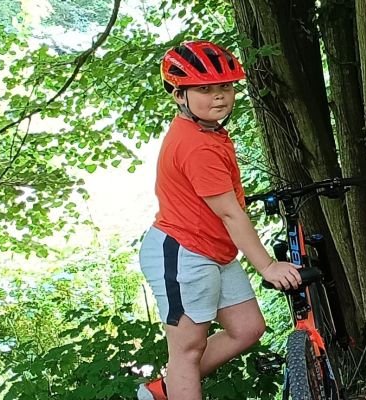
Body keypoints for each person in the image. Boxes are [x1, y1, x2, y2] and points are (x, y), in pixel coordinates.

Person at [137, 40, 302, 400]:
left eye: (226, 87)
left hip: (214, 250)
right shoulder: (196, 145)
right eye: (205, 89)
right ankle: (175, 386)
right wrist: (268, 266)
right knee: (187, 349)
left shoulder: (207, 132)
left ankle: (166, 389)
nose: (219, 97)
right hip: (183, 252)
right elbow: (230, 212)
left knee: (246, 328)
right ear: (179, 95)